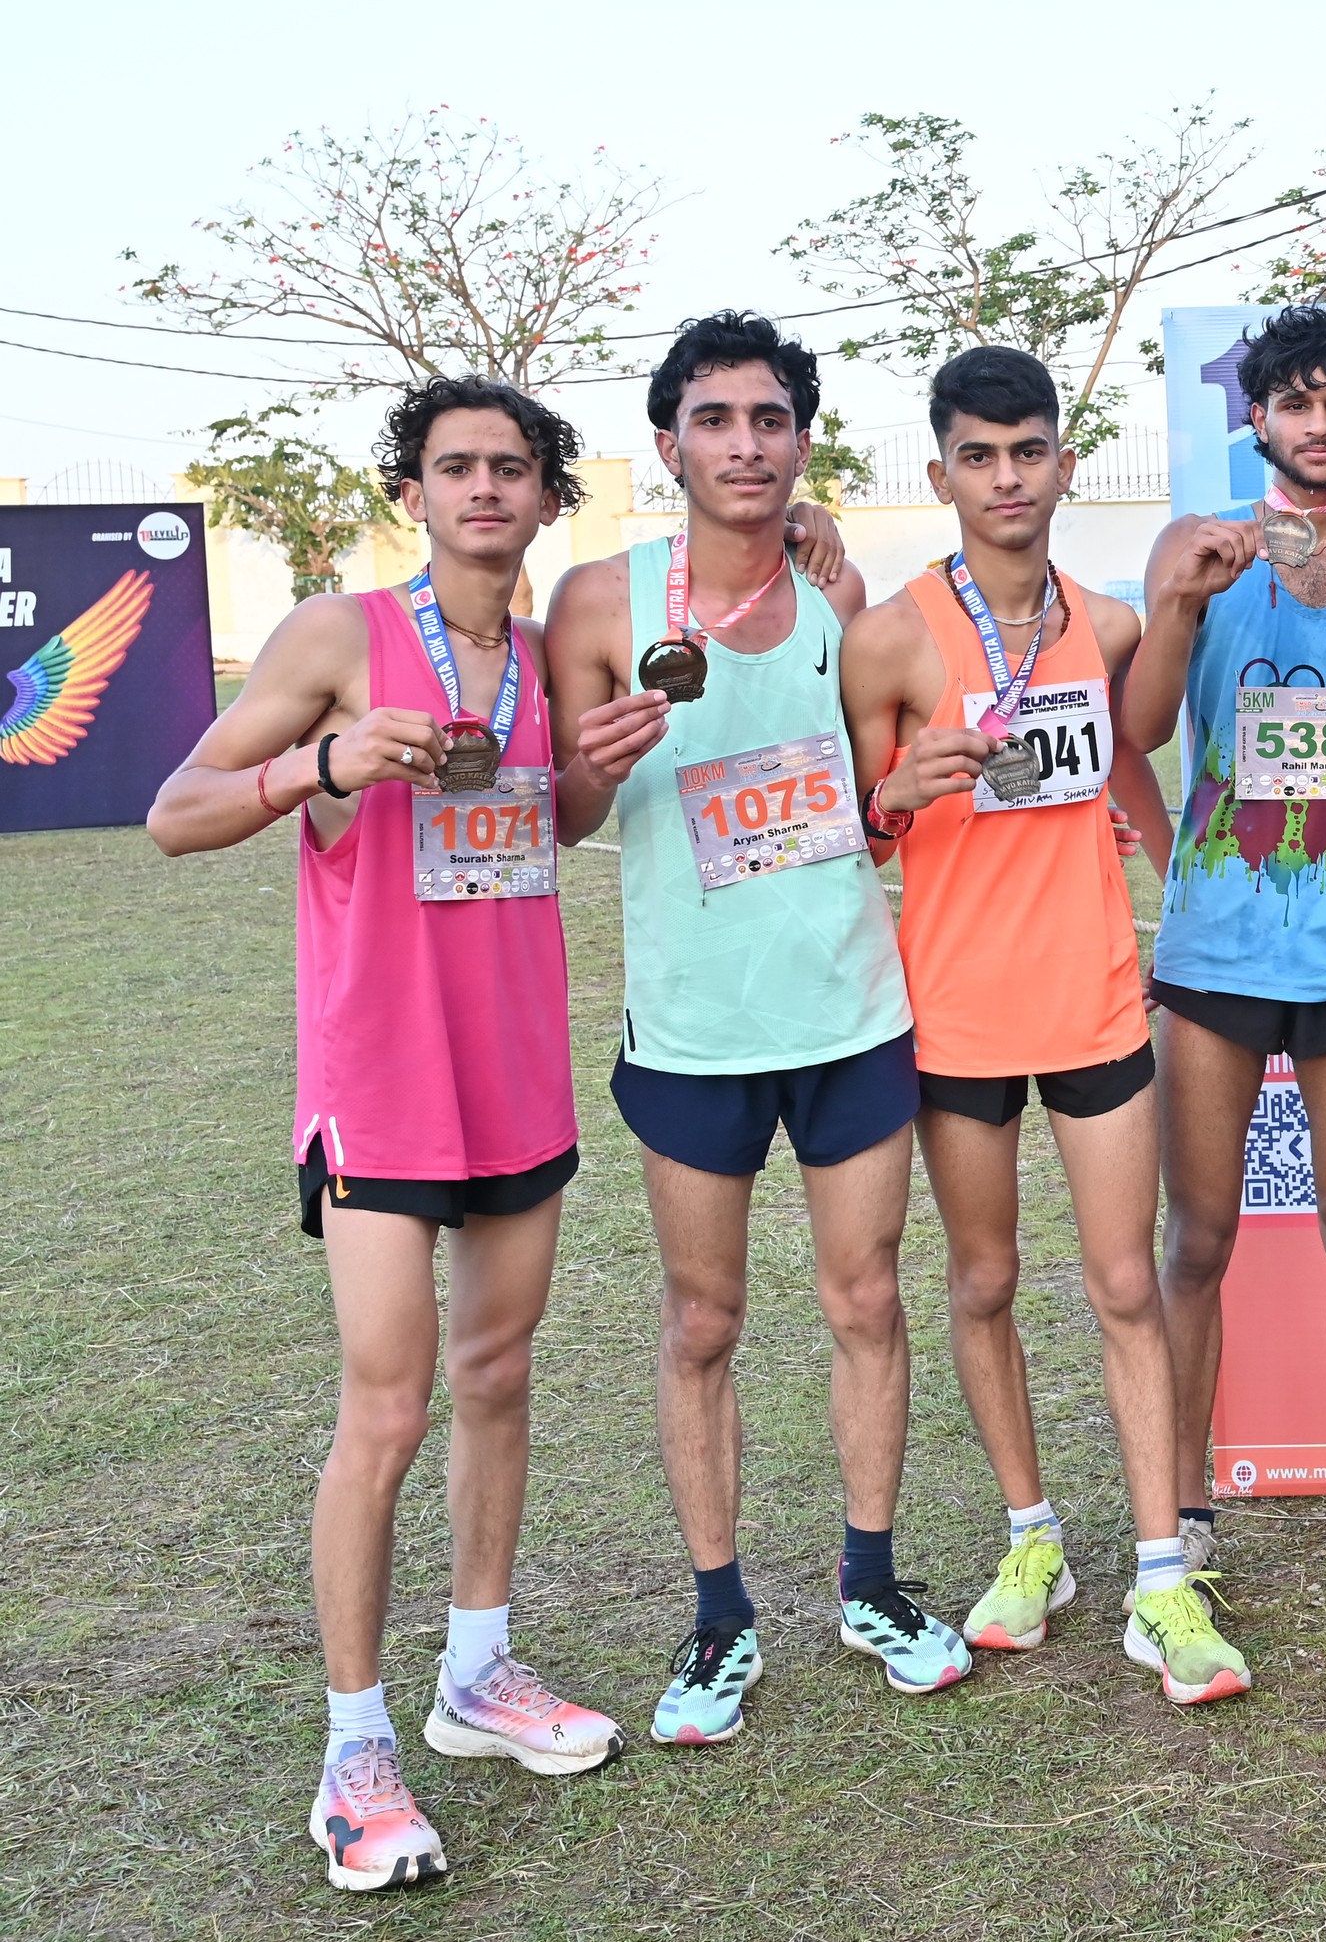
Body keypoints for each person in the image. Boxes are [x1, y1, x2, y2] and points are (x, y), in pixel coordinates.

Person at [148, 378, 622, 1891]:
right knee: (389, 1409)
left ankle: (476, 1672)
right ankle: (354, 1749)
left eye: (512, 467)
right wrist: (323, 765)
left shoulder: (539, 654)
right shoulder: (338, 636)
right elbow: (175, 808)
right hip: (383, 1087)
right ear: (413, 494)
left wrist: (596, 767)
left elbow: (549, 823)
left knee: (498, 1376)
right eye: (455, 466)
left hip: (516, 1077)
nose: (485, 488)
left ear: (547, 495)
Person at [546, 310, 973, 1749]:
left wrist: (906, 788)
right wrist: (590, 765)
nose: (745, 444)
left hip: (850, 1010)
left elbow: (874, 806)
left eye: (770, 419)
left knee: (867, 1301)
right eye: (715, 419)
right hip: (693, 1026)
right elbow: (563, 817)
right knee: (703, 1320)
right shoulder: (597, 603)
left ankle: (872, 1583)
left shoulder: (846, 599)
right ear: (668, 444)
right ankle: (719, 1616)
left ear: (801, 441)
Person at [838, 346, 1243, 1705]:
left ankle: (1160, 1577)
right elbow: (857, 831)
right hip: (955, 1014)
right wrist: (894, 791)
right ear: (941, 471)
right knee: (983, 1283)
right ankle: (1032, 1541)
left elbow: (1136, 759)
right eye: (979, 455)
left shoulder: (1107, 625)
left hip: (1092, 1001)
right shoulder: (891, 637)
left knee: (1125, 1282)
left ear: (1066, 464)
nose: (1006, 477)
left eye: (1028, 452)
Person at [1122, 303, 1326, 1607]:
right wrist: (1179, 600)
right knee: (1198, 1236)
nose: (1318, 425)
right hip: (1215, 954)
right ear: (1255, 417)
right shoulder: (1191, 546)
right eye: (1295, 403)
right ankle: (1184, 1503)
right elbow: (1141, 726)